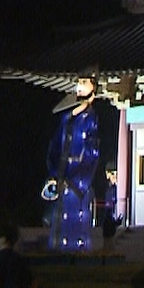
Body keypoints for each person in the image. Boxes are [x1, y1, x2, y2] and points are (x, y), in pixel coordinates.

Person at [47, 74, 100, 251]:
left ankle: (76, 250)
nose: (80, 86)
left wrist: (78, 179)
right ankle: (57, 249)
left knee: (76, 217)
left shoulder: (90, 119)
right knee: (59, 216)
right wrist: (54, 173)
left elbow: (92, 151)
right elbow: (55, 144)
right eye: (79, 82)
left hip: (77, 178)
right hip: (62, 173)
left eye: (84, 82)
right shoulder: (67, 118)